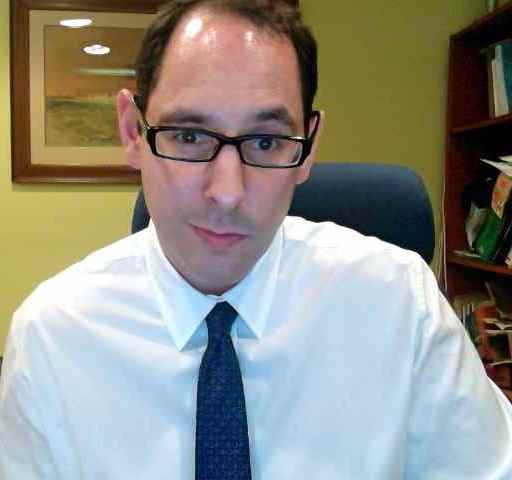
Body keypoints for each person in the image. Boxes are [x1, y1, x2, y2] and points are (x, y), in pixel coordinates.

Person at [1, 0, 512, 478]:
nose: (226, 192)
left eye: (266, 142)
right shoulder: (52, 337)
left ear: (309, 147)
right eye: (189, 136)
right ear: (134, 132)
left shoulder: (401, 304)